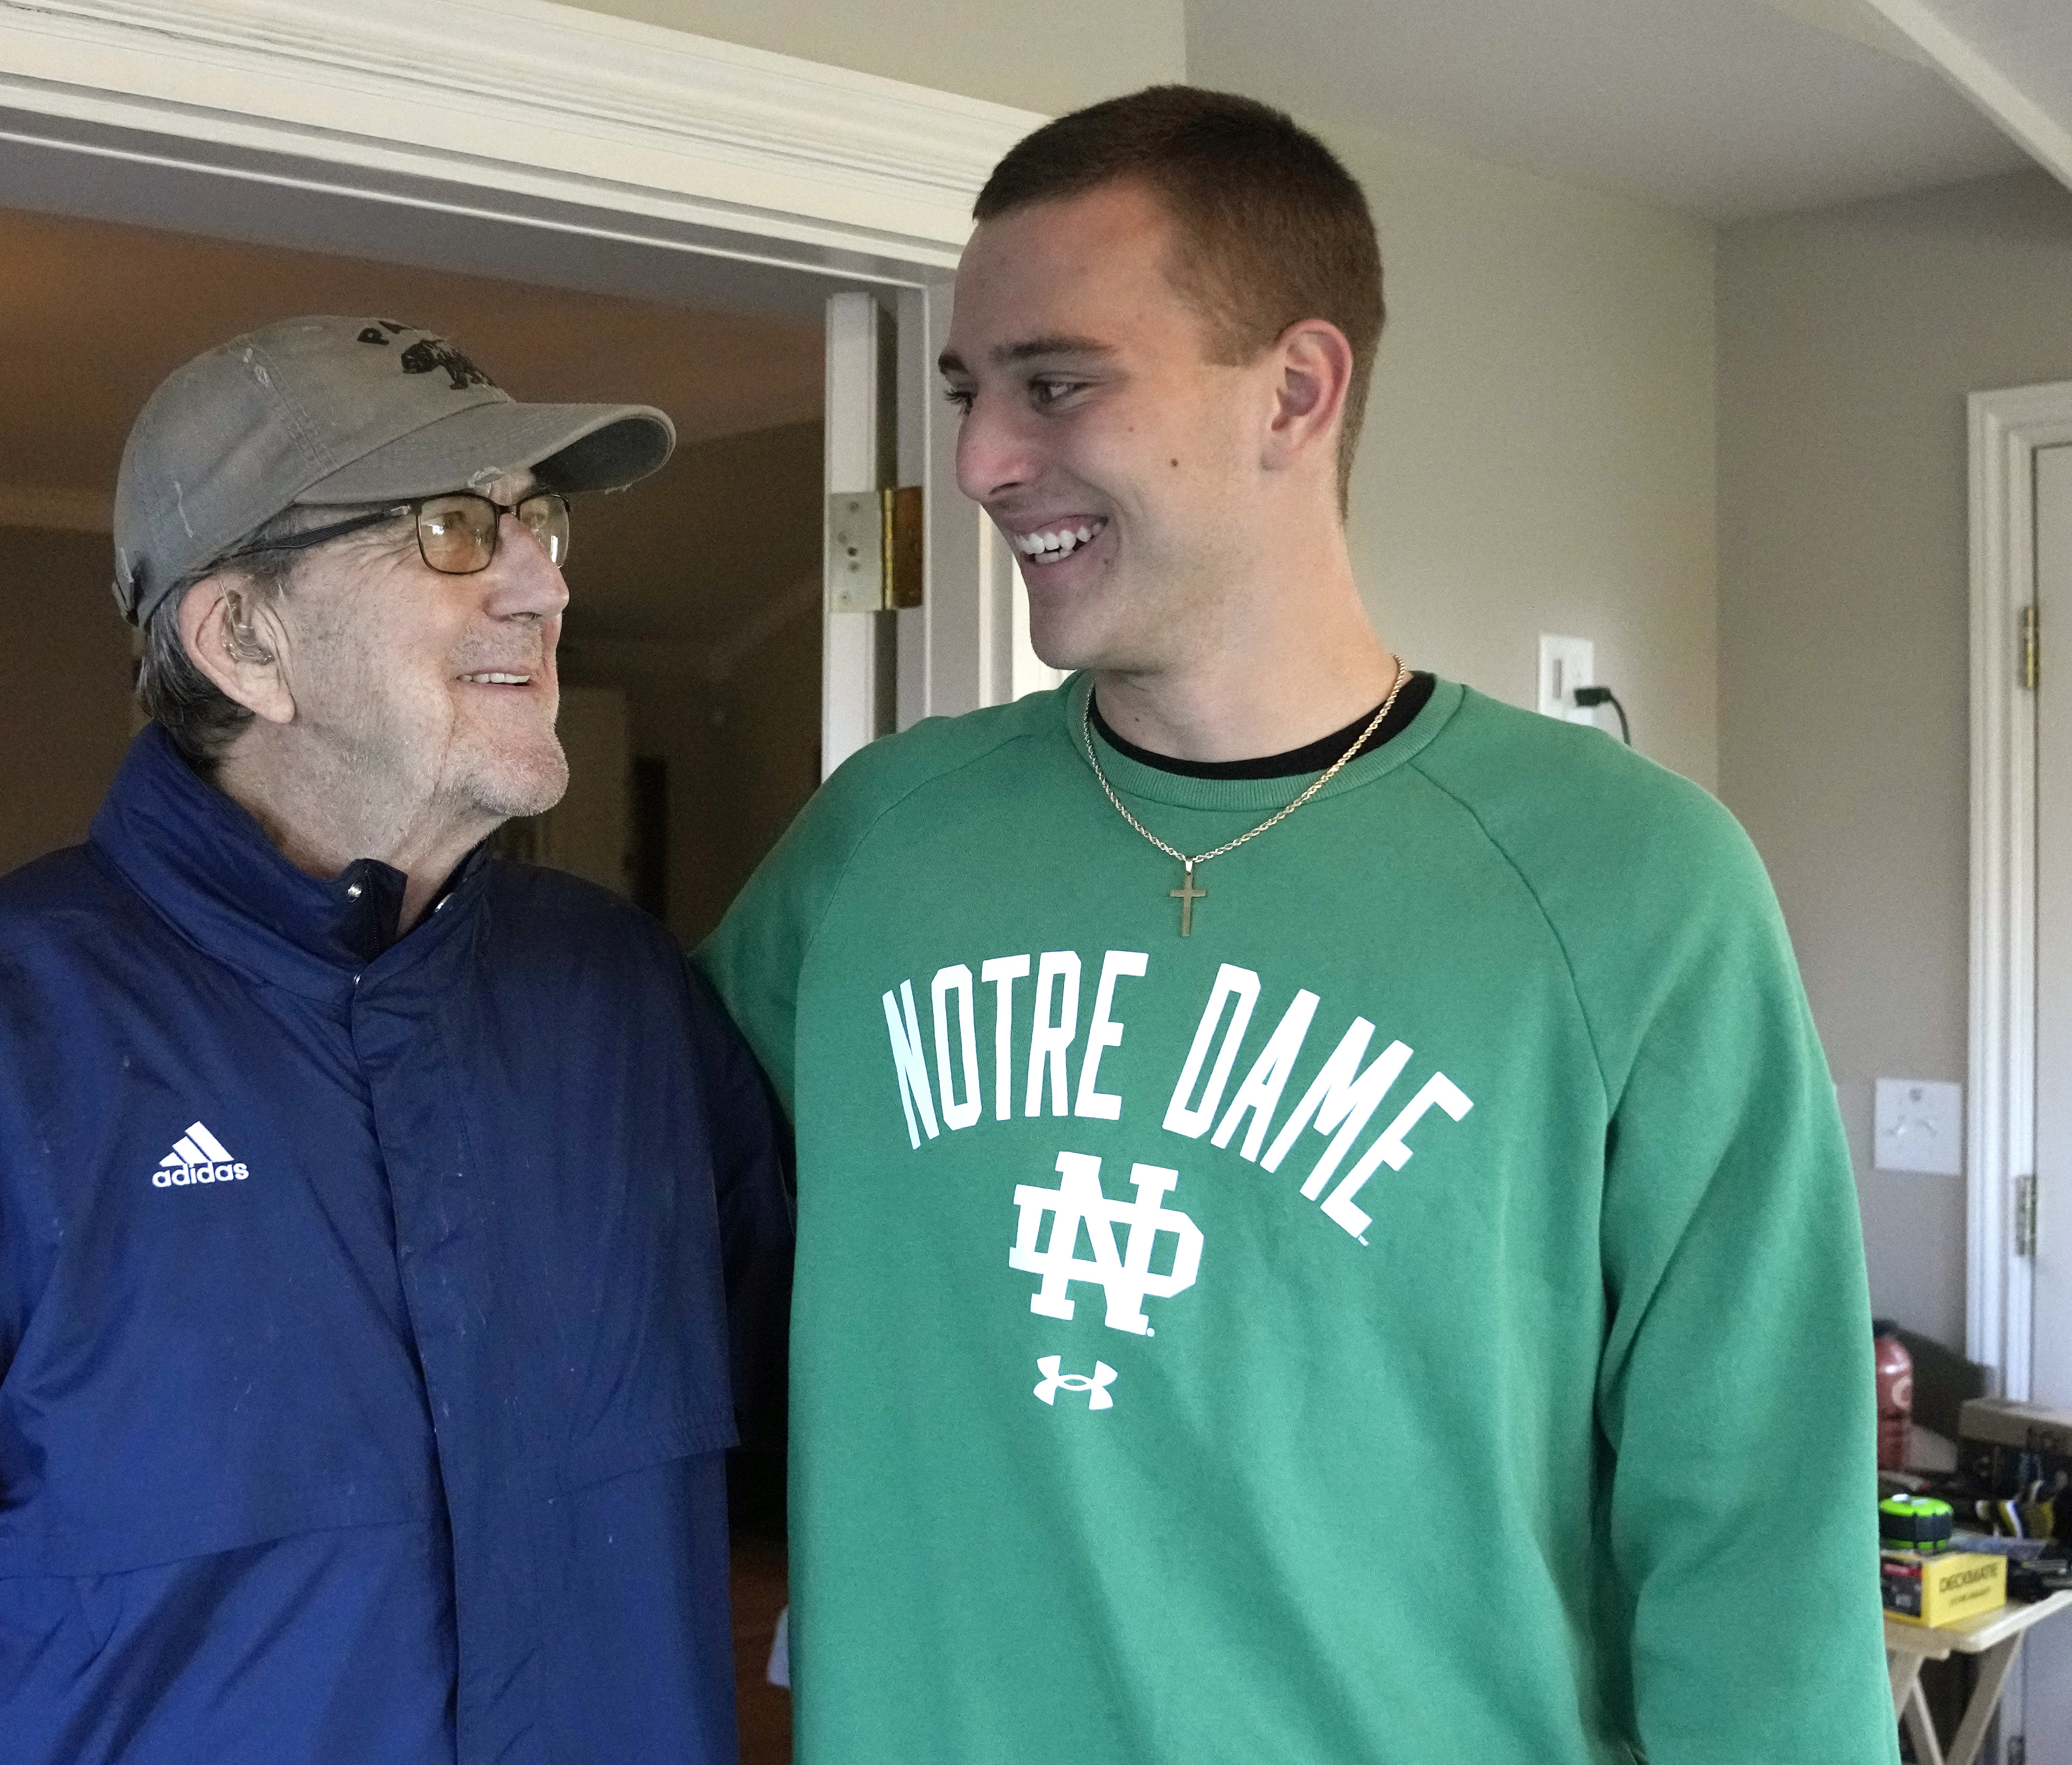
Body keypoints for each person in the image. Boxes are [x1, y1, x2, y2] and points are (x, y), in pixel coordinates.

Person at [699, 88, 1892, 1764]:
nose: (976, 461)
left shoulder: (1635, 883)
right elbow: (608, 1181)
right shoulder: (881, 842)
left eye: (1056, 383)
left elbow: (1758, 1530)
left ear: (1298, 391)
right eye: (971, 394)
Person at [0, 317, 789, 1765]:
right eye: (455, 528)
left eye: (540, 520)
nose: (545, 584)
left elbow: (836, 1442)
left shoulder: (628, 1005)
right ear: (243, 639)